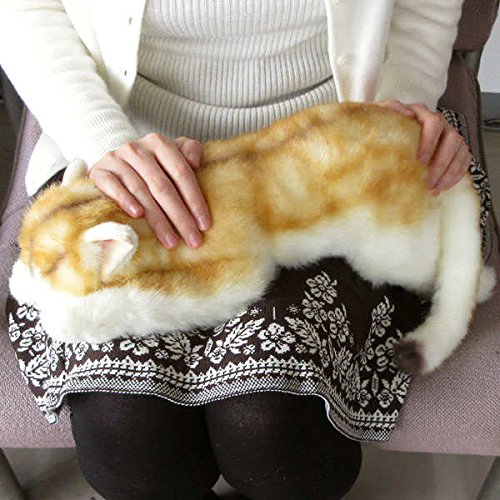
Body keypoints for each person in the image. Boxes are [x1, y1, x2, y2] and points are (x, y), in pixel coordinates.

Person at [1, 1, 482, 499]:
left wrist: (394, 112)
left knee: (273, 431)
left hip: (328, 158)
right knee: (127, 435)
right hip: (118, 147)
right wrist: (99, 137)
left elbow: (423, 9)